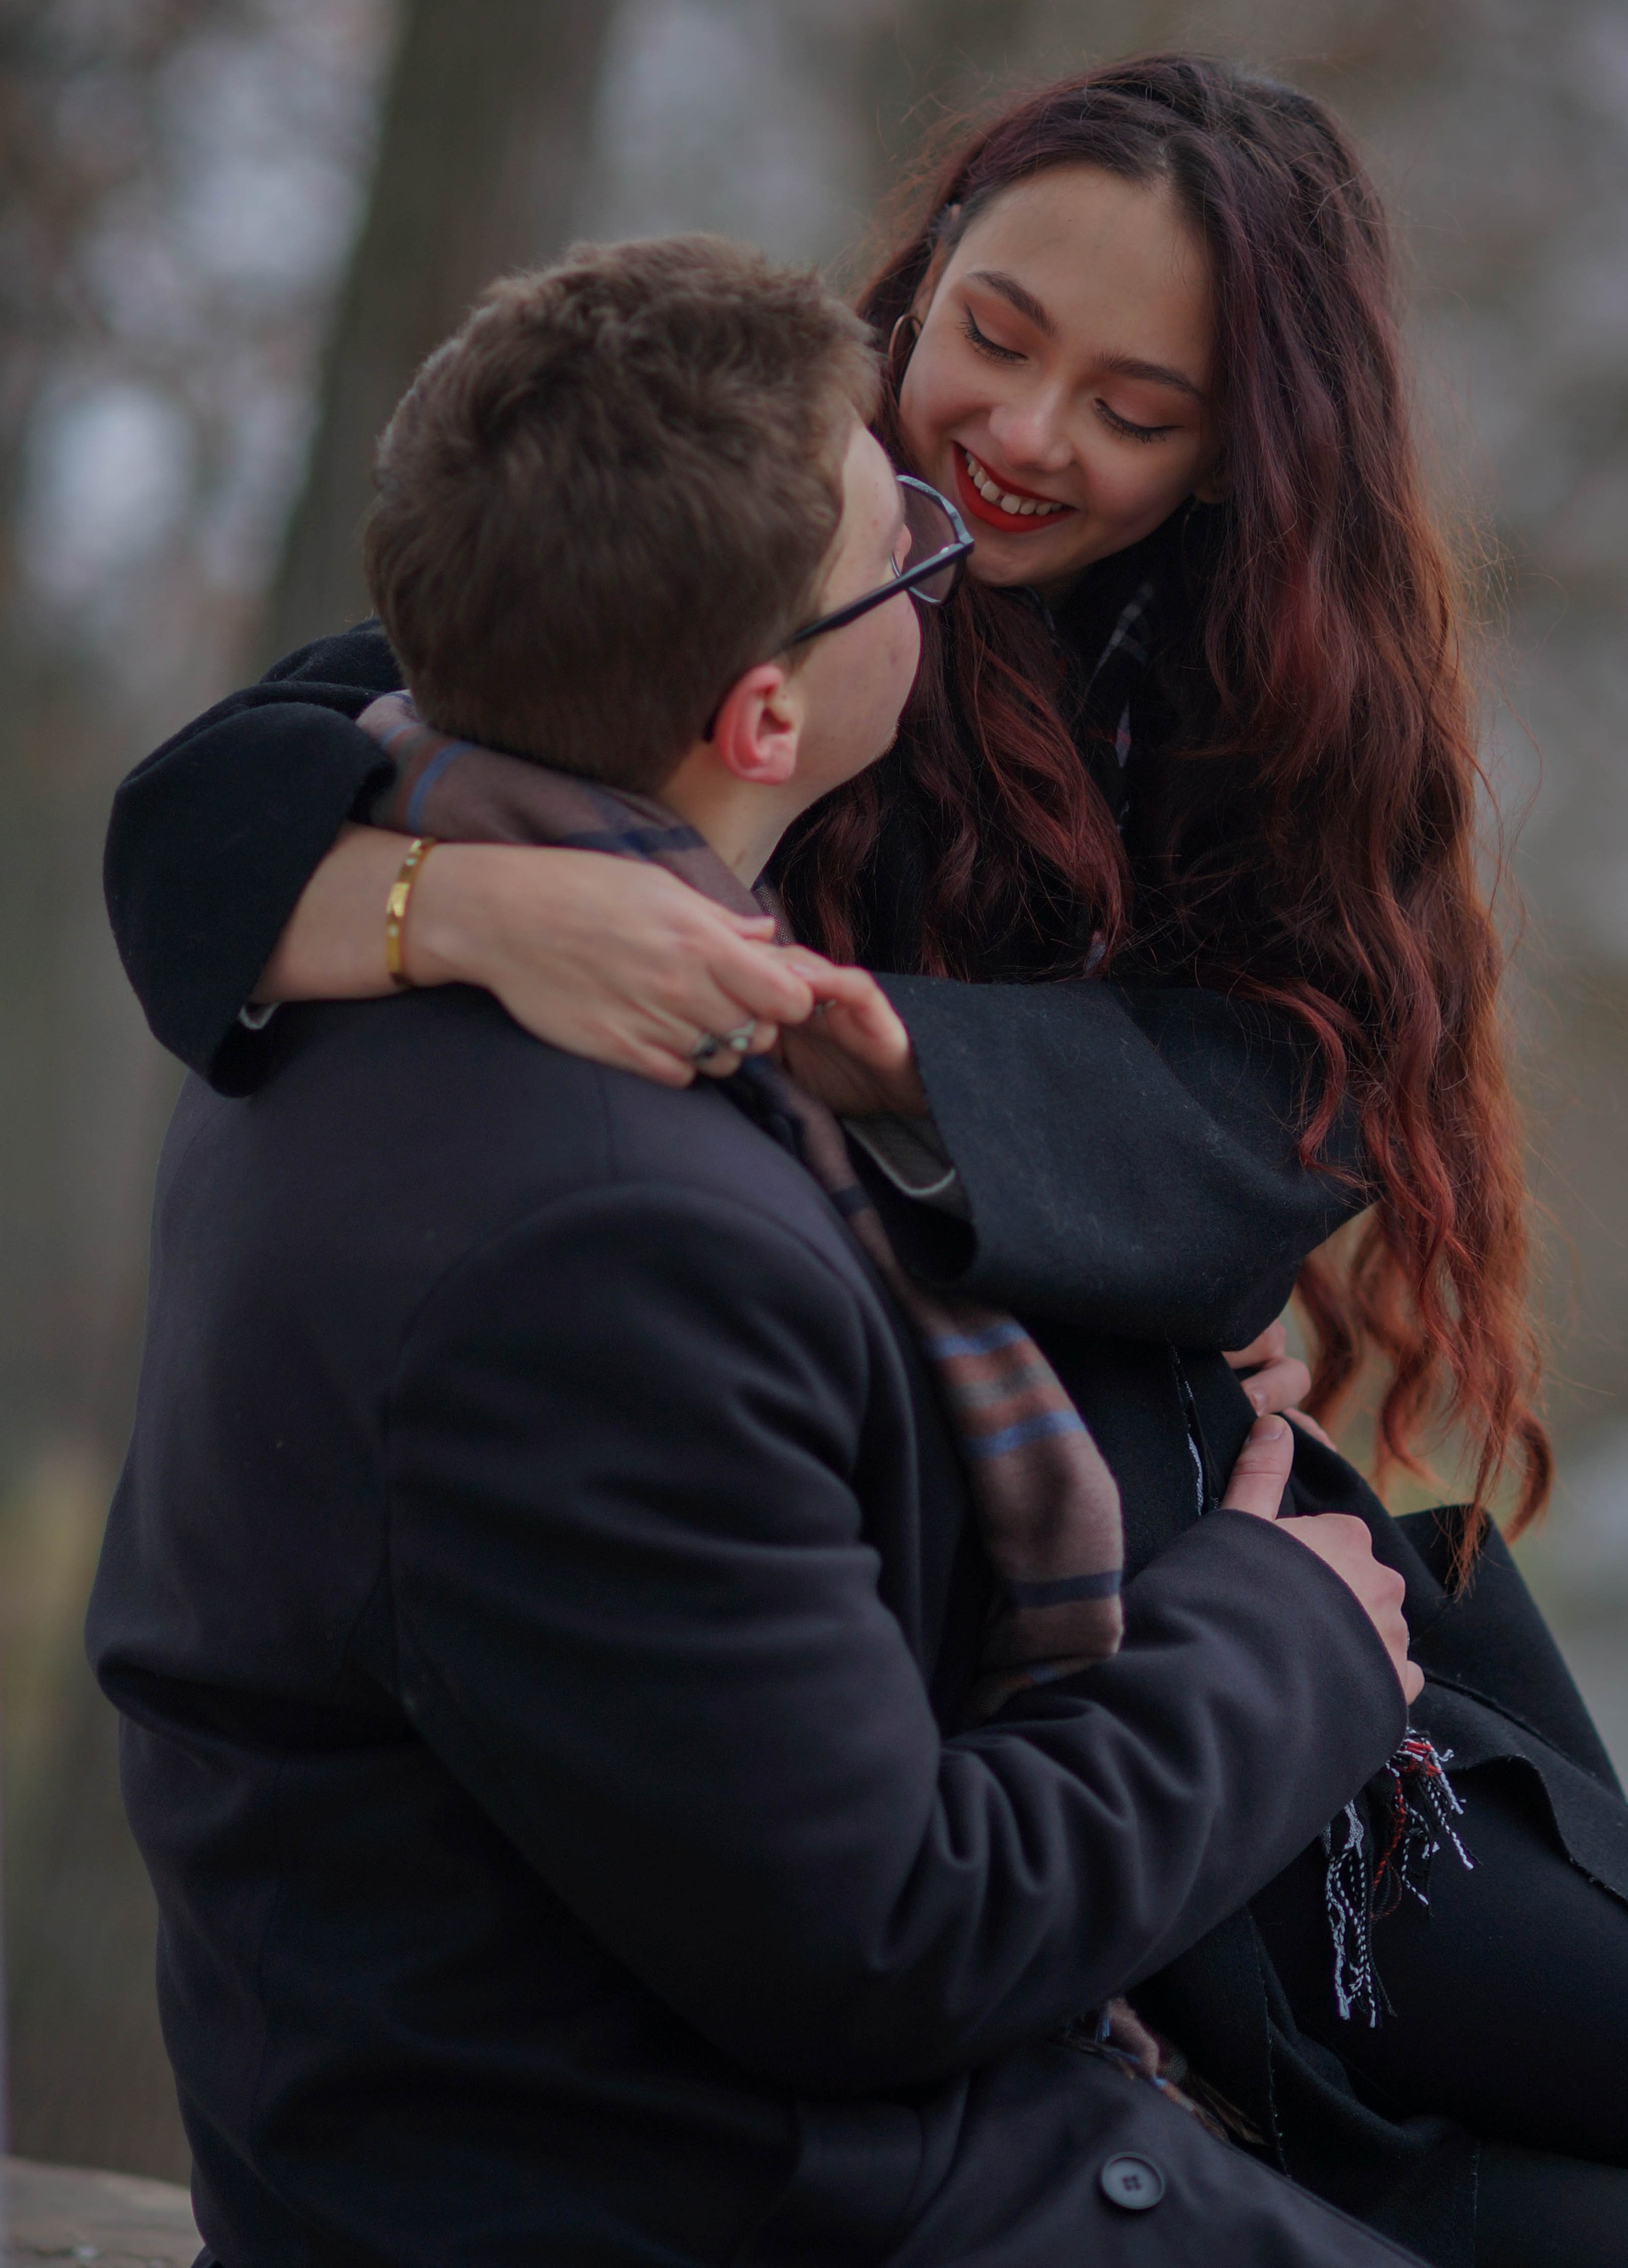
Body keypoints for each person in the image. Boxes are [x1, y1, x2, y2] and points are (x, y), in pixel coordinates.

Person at [104, 63, 1628, 2266]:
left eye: (1138, 406)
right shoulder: (736, 553)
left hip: (1230, 1586)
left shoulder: (1255, 692)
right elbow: (220, 817)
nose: (1027, 435)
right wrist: (449, 905)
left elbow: (1292, 1103)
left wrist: (895, 1076)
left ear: (1251, 453)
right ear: (920, 282)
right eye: (997, 330)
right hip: (942, 1681)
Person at [88, 237, 1433, 2268]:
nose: (951, 508)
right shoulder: (603, 1231)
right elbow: (892, 1935)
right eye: (894, 520)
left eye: (1144, 408)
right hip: (697, 2190)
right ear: (765, 706)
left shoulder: (411, 1024)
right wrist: (1284, 1633)